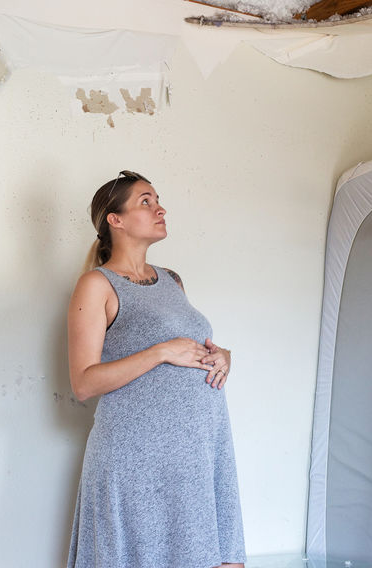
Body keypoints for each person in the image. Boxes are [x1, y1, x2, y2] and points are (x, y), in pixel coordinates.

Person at [67, 169, 246, 568]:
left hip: (197, 453)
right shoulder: (96, 285)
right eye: (145, 201)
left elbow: (191, 347)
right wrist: (160, 352)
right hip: (137, 460)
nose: (159, 208)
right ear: (115, 220)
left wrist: (221, 356)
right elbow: (82, 383)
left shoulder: (172, 281)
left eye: (158, 200)